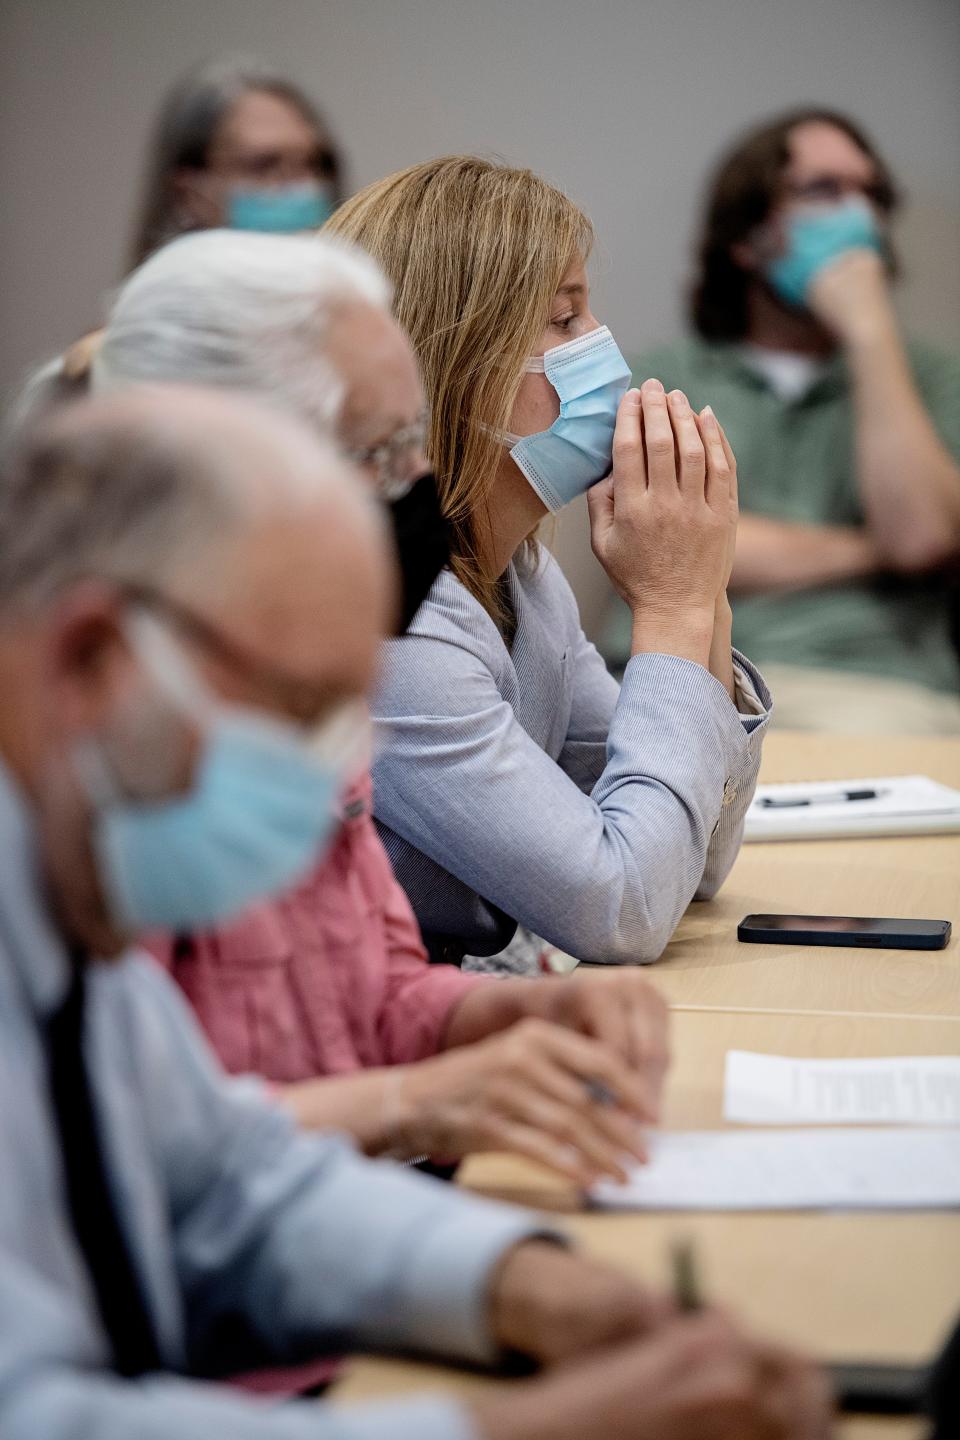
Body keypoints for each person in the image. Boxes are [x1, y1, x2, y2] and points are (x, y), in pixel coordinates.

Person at [0, 385, 832, 1440]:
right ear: (88, 661)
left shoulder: (71, 888)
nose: (340, 768)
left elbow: (223, 1188)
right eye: (298, 714)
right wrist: (532, 1430)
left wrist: (524, 1288)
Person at [24, 229, 672, 1187]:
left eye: (416, 439)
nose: (418, 483)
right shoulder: (104, 747)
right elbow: (121, 1161)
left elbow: (365, 990)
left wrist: (488, 1020)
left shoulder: (299, 677)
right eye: (382, 449)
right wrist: (409, 1107)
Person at [326, 156, 771, 967]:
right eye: (564, 323)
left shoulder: (521, 575)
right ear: (454, 370)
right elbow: (623, 908)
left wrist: (702, 594)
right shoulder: (397, 624)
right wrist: (672, 605)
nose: (602, 346)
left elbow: (689, 862)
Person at [603, 108, 960, 734]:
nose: (860, 216)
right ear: (745, 238)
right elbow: (660, 548)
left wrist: (871, 331)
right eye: (823, 191)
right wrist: (876, 552)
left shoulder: (932, 380)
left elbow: (923, 537)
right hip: (685, 679)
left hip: (881, 689)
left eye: (870, 194)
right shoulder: (659, 377)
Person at [129, 54, 345, 267]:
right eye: (263, 166)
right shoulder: (163, 302)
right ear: (188, 193)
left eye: (314, 163)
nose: (303, 187)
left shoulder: (360, 297)